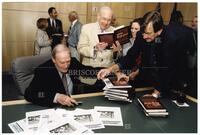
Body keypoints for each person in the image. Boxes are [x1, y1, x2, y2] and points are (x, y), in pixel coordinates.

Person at [98, 10, 191, 98]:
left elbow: (168, 69)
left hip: (170, 85)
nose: (144, 36)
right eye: (143, 32)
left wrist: (155, 94)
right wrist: (109, 69)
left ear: (159, 31)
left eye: (148, 33)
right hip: (147, 82)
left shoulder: (171, 39)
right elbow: (130, 56)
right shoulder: (141, 35)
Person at [24, 44, 102, 107]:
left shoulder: (73, 62)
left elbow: (87, 71)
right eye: (62, 62)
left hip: (75, 101)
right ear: (53, 59)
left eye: (68, 61)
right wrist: (56, 97)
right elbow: (30, 94)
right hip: (56, 107)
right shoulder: (43, 70)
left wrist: (108, 70)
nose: (66, 66)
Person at [77, 6, 120, 85]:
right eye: (104, 19)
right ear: (98, 16)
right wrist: (95, 49)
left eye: (109, 20)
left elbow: (117, 57)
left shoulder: (114, 31)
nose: (106, 22)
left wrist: (116, 51)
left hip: (108, 73)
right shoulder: (86, 28)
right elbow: (80, 48)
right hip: (90, 73)